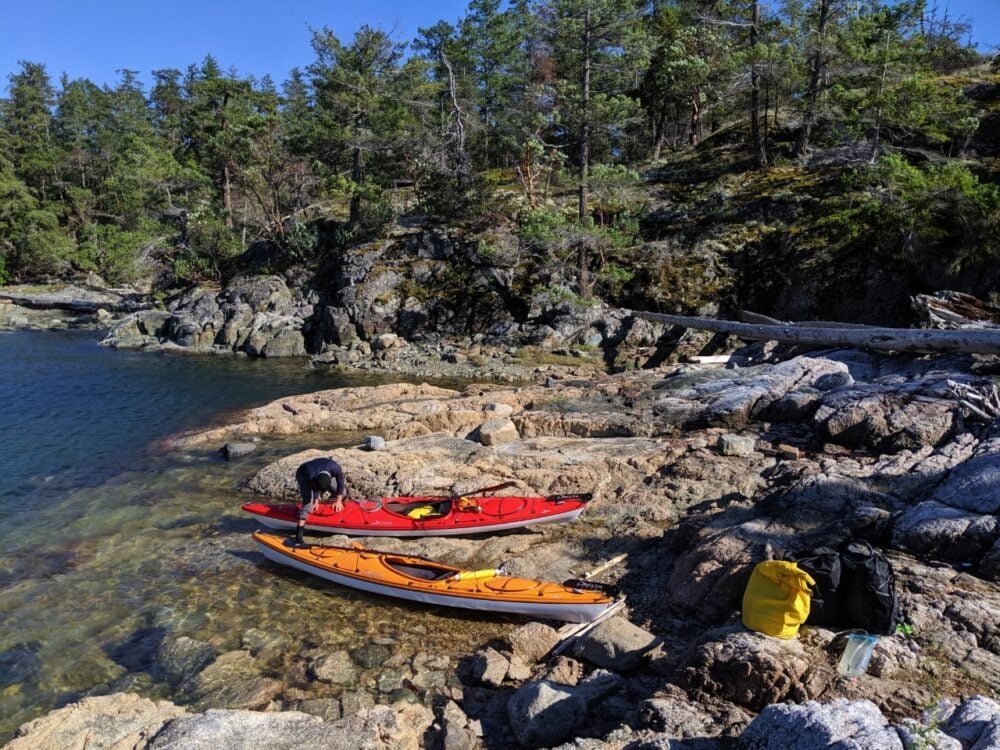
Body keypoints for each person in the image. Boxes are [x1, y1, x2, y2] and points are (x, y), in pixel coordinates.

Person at [292, 456, 345, 545]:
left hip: (322, 473)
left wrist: (338, 501)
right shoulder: (310, 474)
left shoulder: (336, 468)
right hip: (303, 474)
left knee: (342, 493)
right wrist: (315, 500)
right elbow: (314, 487)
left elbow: (341, 483)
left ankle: (329, 503)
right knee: (308, 503)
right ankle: (298, 535)